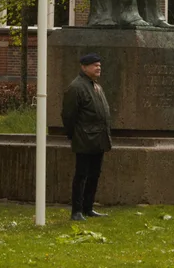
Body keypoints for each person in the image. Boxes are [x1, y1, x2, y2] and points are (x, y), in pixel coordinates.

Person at [61, 53, 112, 221]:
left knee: (94, 174)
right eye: (94, 65)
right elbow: (68, 115)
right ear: (84, 67)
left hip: (98, 139)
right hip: (84, 139)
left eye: (99, 65)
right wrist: (74, 135)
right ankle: (77, 211)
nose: (98, 67)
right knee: (81, 175)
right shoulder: (76, 87)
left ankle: (88, 208)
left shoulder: (95, 86)